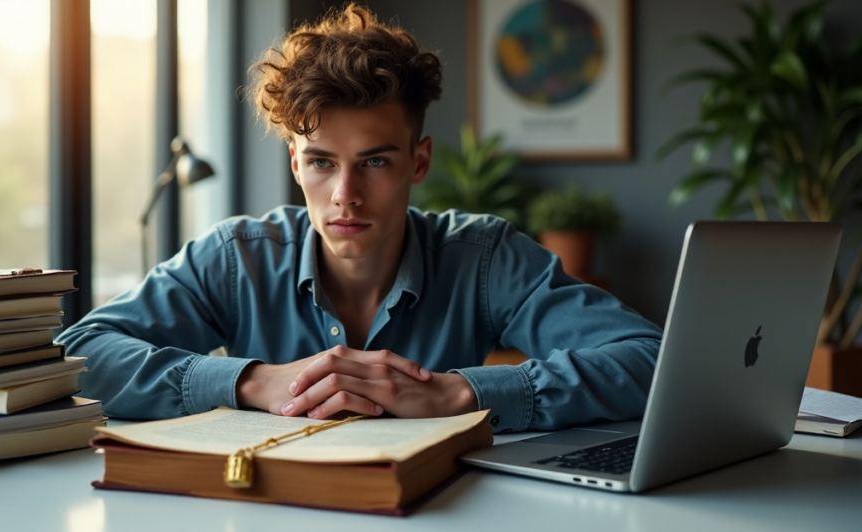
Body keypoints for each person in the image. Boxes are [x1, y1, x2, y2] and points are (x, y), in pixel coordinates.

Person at [57, 4, 661, 433]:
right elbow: (79, 355)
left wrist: (463, 391)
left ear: (418, 161)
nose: (346, 193)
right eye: (322, 162)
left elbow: (649, 358)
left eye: (374, 161)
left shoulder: (483, 256)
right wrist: (249, 382)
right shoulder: (235, 255)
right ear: (295, 163)